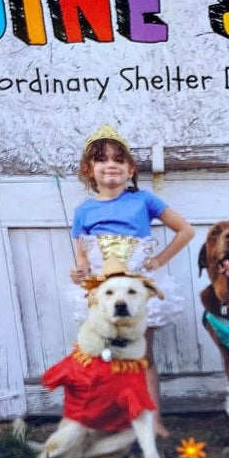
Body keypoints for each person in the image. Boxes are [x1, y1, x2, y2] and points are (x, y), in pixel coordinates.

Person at [69, 127, 194, 436]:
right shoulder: (84, 210)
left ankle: (154, 420)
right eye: (101, 160)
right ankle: (115, 419)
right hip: (105, 291)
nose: (111, 165)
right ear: (89, 169)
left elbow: (186, 231)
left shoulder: (143, 201)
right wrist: (78, 272)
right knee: (106, 356)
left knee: (142, 355)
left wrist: (159, 260)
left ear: (130, 169)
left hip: (138, 287)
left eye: (118, 159)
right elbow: (82, 259)